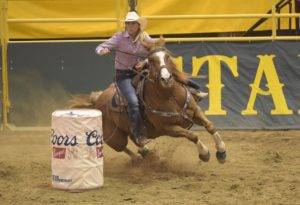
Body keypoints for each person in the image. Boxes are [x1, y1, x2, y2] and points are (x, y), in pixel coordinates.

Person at [95, 11, 207, 146]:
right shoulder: (118, 38)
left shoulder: (144, 37)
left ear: (138, 25)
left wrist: (146, 62)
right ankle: (138, 135)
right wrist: (103, 50)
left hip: (142, 71)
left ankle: (195, 90)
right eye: (128, 24)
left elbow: (153, 50)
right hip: (124, 76)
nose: (130, 26)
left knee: (170, 75)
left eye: (133, 24)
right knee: (133, 103)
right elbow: (100, 47)